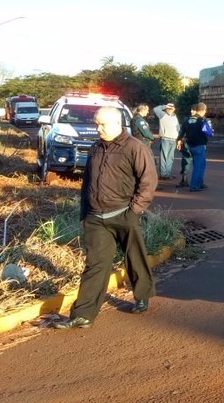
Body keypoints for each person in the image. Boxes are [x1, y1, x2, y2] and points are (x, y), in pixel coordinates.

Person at [54, 106, 158, 329]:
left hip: (124, 214)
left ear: (118, 123)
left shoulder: (135, 148)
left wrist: (134, 211)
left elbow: (148, 182)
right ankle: (83, 315)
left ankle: (142, 295)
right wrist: (85, 213)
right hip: (95, 218)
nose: (97, 128)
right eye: (96, 123)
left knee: (134, 257)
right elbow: (87, 183)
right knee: (95, 265)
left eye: (102, 124)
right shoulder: (95, 148)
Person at [176, 102, 213, 192]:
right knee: (198, 166)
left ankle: (199, 183)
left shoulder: (187, 120)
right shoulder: (202, 121)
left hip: (190, 145)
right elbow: (209, 133)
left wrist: (178, 140)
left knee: (200, 165)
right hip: (200, 145)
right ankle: (194, 186)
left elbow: (182, 132)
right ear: (203, 110)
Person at [152, 103, 180, 180]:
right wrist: (165, 106)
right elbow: (155, 109)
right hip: (165, 139)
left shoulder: (175, 116)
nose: (170, 109)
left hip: (173, 139)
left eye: (172, 107)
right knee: (164, 157)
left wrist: (179, 139)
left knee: (170, 157)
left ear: (174, 108)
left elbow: (178, 128)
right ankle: (163, 174)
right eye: (169, 107)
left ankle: (167, 174)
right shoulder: (162, 114)